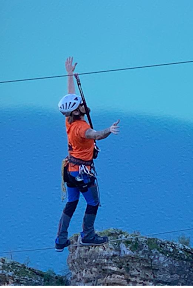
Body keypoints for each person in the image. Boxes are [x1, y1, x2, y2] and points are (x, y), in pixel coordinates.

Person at [55, 56, 120, 251]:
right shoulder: (81, 127)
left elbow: (70, 95)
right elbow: (96, 135)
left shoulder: (69, 121)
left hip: (70, 171)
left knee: (71, 203)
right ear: (77, 111)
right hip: (82, 172)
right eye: (80, 103)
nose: (83, 102)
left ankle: (60, 240)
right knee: (93, 202)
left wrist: (69, 75)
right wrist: (109, 130)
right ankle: (88, 235)